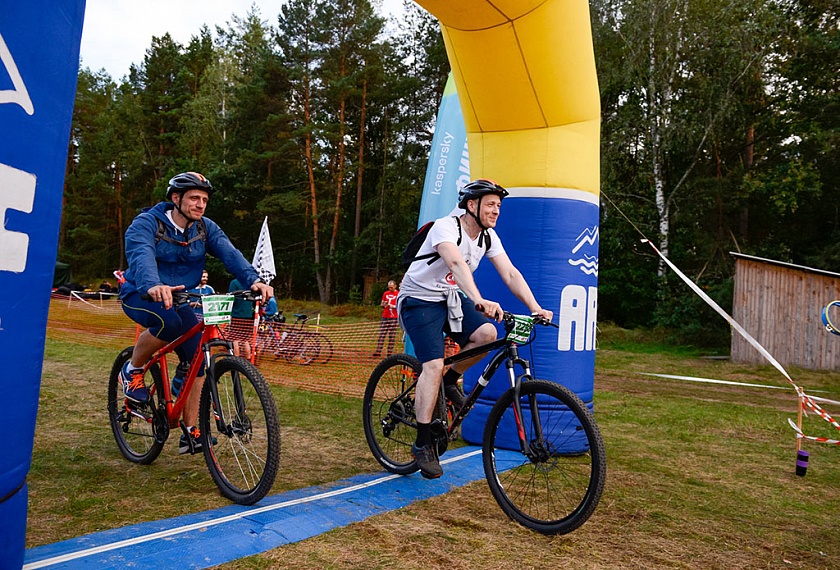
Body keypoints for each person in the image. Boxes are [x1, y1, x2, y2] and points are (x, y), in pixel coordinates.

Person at [397, 179, 553, 479]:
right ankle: (422, 443)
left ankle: (449, 382)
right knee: (432, 365)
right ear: (472, 205)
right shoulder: (446, 227)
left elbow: (510, 273)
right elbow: (456, 263)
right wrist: (478, 299)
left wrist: (536, 307)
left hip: (449, 298)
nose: (496, 211)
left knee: (487, 335)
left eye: (499, 206)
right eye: (490, 204)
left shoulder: (488, 237)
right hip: (419, 299)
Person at [119, 172, 273, 455]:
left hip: (180, 299)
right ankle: (133, 370)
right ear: (176, 198)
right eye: (194, 198)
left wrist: (254, 280)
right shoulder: (147, 223)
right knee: (169, 322)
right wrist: (152, 284)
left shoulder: (204, 228)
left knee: (199, 359)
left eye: (204, 199)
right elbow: (141, 254)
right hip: (140, 293)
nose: (200, 204)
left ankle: (191, 431)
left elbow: (230, 254)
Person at [228, 277, 256, 359]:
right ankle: (248, 357)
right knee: (245, 340)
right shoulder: (251, 283)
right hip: (248, 315)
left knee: (235, 339)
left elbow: (231, 299)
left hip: (237, 315)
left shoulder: (234, 283)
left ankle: (236, 359)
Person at [373, 280, 399, 357]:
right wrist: (383, 304)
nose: (390, 289)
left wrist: (392, 306)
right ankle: (378, 351)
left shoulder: (398, 294)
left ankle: (389, 353)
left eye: (391, 287)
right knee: (382, 334)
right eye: (389, 287)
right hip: (385, 316)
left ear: (395, 286)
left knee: (392, 335)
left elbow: (399, 306)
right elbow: (382, 303)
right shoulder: (386, 293)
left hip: (393, 317)